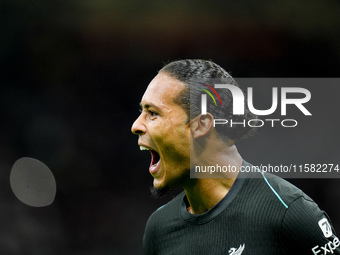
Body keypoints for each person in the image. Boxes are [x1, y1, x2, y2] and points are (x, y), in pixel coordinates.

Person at [131, 59, 339, 254]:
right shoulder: (159, 229)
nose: (136, 126)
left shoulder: (287, 212)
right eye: (142, 111)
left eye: (153, 113)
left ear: (201, 125)